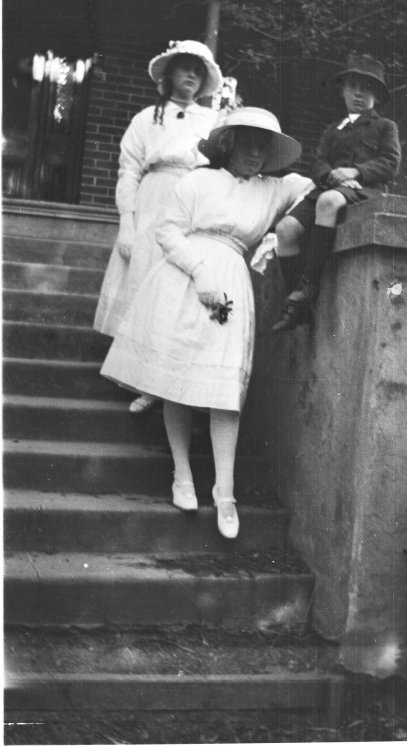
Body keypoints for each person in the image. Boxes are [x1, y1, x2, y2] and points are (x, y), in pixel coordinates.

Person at [99, 107, 314, 538]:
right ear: (229, 143)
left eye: (263, 145)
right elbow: (168, 233)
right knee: (176, 378)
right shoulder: (196, 180)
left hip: (232, 279)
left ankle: (225, 492)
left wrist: (279, 234)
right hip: (183, 277)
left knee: (223, 391)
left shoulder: (273, 189)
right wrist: (199, 274)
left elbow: (313, 189)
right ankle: (182, 474)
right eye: (247, 142)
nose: (255, 152)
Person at [93, 39, 223, 413]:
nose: (192, 76)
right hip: (153, 201)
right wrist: (127, 223)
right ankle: (138, 375)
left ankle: (164, 379)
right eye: (186, 68)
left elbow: (219, 167)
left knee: (176, 287)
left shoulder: (212, 122)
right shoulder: (146, 119)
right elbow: (129, 172)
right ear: (170, 74)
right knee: (145, 279)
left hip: (193, 202)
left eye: (199, 71)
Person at [271, 54, 401, 331]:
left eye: (366, 88)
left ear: (376, 95)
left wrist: (356, 172)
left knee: (329, 202)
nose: (358, 93)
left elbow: (391, 163)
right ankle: (297, 304)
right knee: (285, 229)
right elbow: (317, 163)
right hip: (329, 188)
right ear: (342, 91)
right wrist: (331, 175)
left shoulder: (384, 127)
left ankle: (309, 286)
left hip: (364, 192)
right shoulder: (333, 130)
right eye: (352, 86)